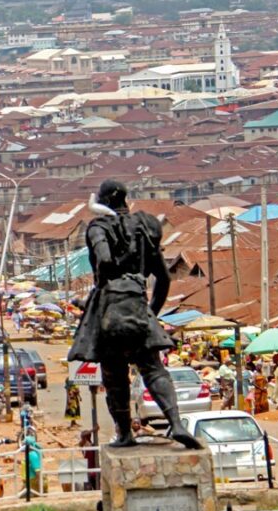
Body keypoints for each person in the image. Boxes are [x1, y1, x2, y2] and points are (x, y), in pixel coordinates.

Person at [67, 179, 201, 450]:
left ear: (103, 201)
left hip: (109, 307)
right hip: (138, 304)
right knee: (153, 368)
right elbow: (163, 278)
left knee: (114, 374)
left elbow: (104, 259)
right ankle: (175, 423)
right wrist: (152, 314)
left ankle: (126, 433)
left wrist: (107, 275)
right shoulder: (144, 229)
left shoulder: (99, 227)